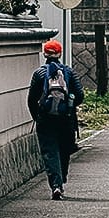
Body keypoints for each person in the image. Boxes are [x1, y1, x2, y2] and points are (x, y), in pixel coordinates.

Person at [27, 38, 84, 200]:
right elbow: (80, 95)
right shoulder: (69, 72)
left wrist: (37, 116)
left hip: (45, 119)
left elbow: (31, 99)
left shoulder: (39, 73)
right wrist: (69, 105)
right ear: (59, 53)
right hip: (66, 119)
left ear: (45, 54)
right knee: (64, 149)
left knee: (50, 152)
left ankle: (56, 185)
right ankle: (62, 178)